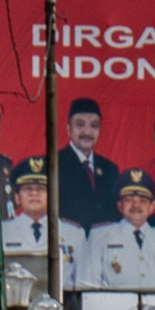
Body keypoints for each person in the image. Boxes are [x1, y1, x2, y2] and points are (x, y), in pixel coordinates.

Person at [79, 172, 155, 294]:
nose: (136, 205)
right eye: (129, 200)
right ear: (120, 205)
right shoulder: (100, 236)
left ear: (151, 207)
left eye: (143, 200)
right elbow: (87, 285)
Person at [53, 96, 125, 230]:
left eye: (94, 126)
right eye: (80, 124)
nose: (87, 132)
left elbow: (117, 214)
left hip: (104, 246)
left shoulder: (110, 168)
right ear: (68, 128)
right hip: (68, 245)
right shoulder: (53, 164)